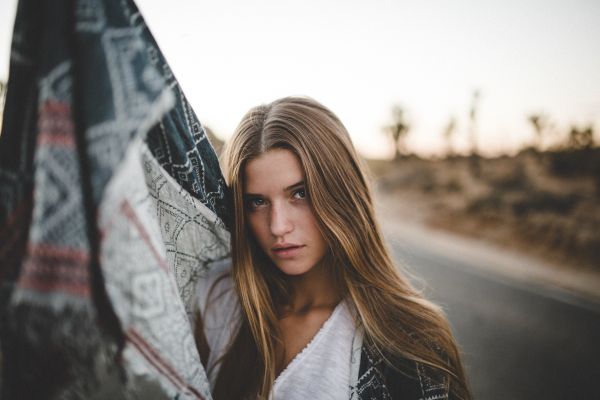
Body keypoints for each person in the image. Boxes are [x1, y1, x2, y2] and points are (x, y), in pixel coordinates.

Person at [194, 96, 471, 399]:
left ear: (340, 193)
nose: (278, 226)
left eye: (300, 194)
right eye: (257, 202)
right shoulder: (220, 299)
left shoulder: (409, 338)